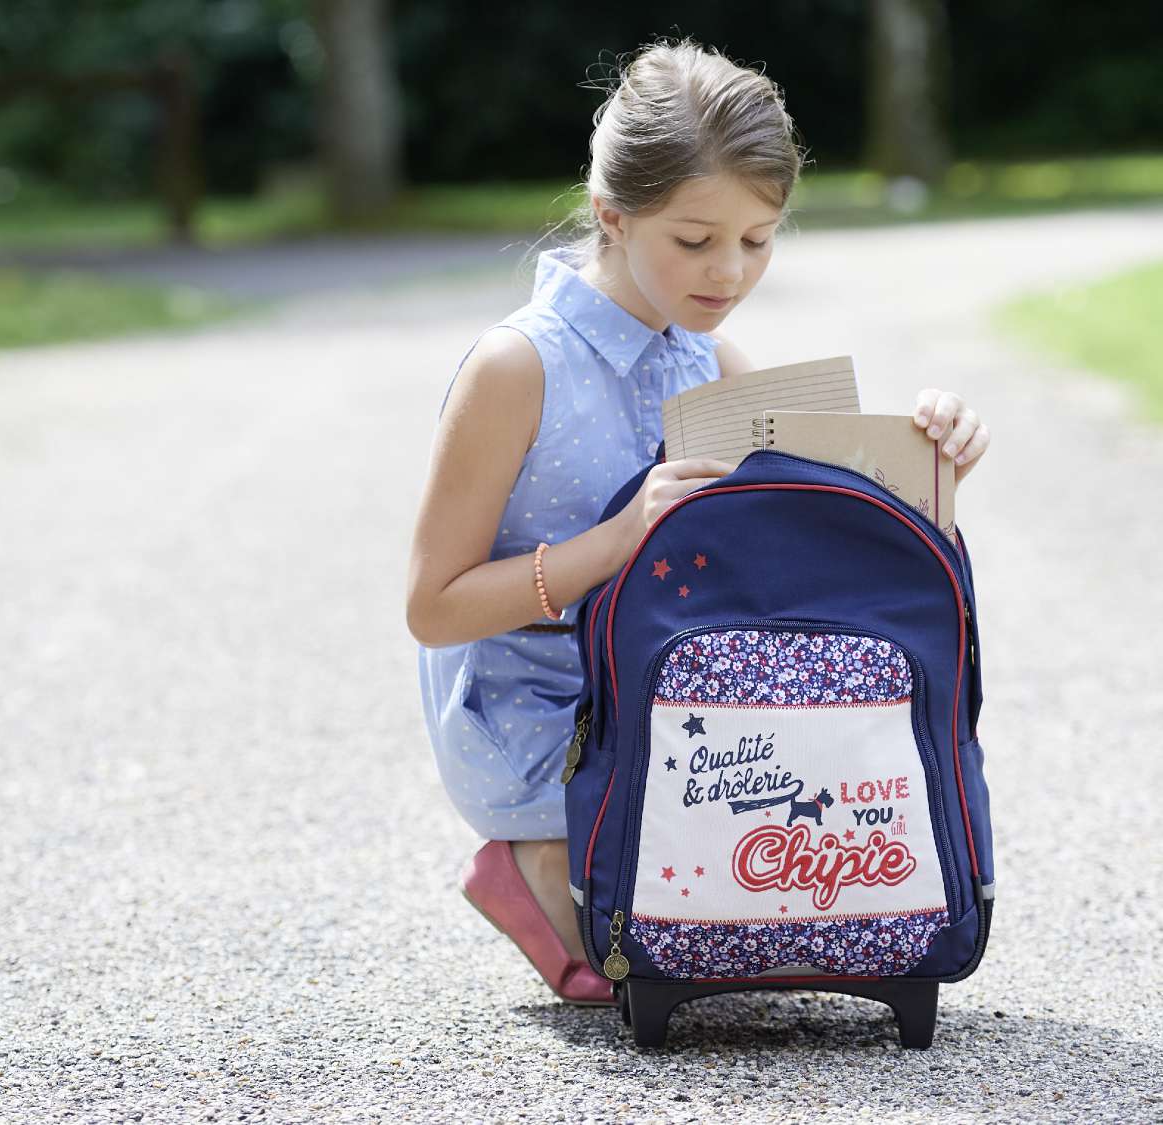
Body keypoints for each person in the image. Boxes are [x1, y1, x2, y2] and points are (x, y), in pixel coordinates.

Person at [405, 36, 990, 1006]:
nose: (728, 272)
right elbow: (432, 609)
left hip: (683, 700)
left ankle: (590, 871)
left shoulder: (712, 362)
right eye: (693, 241)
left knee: (811, 903)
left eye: (757, 240)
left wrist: (928, 472)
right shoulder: (516, 368)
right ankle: (533, 855)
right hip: (544, 714)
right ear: (611, 214)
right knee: (687, 943)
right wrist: (612, 545)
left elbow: (808, 566)